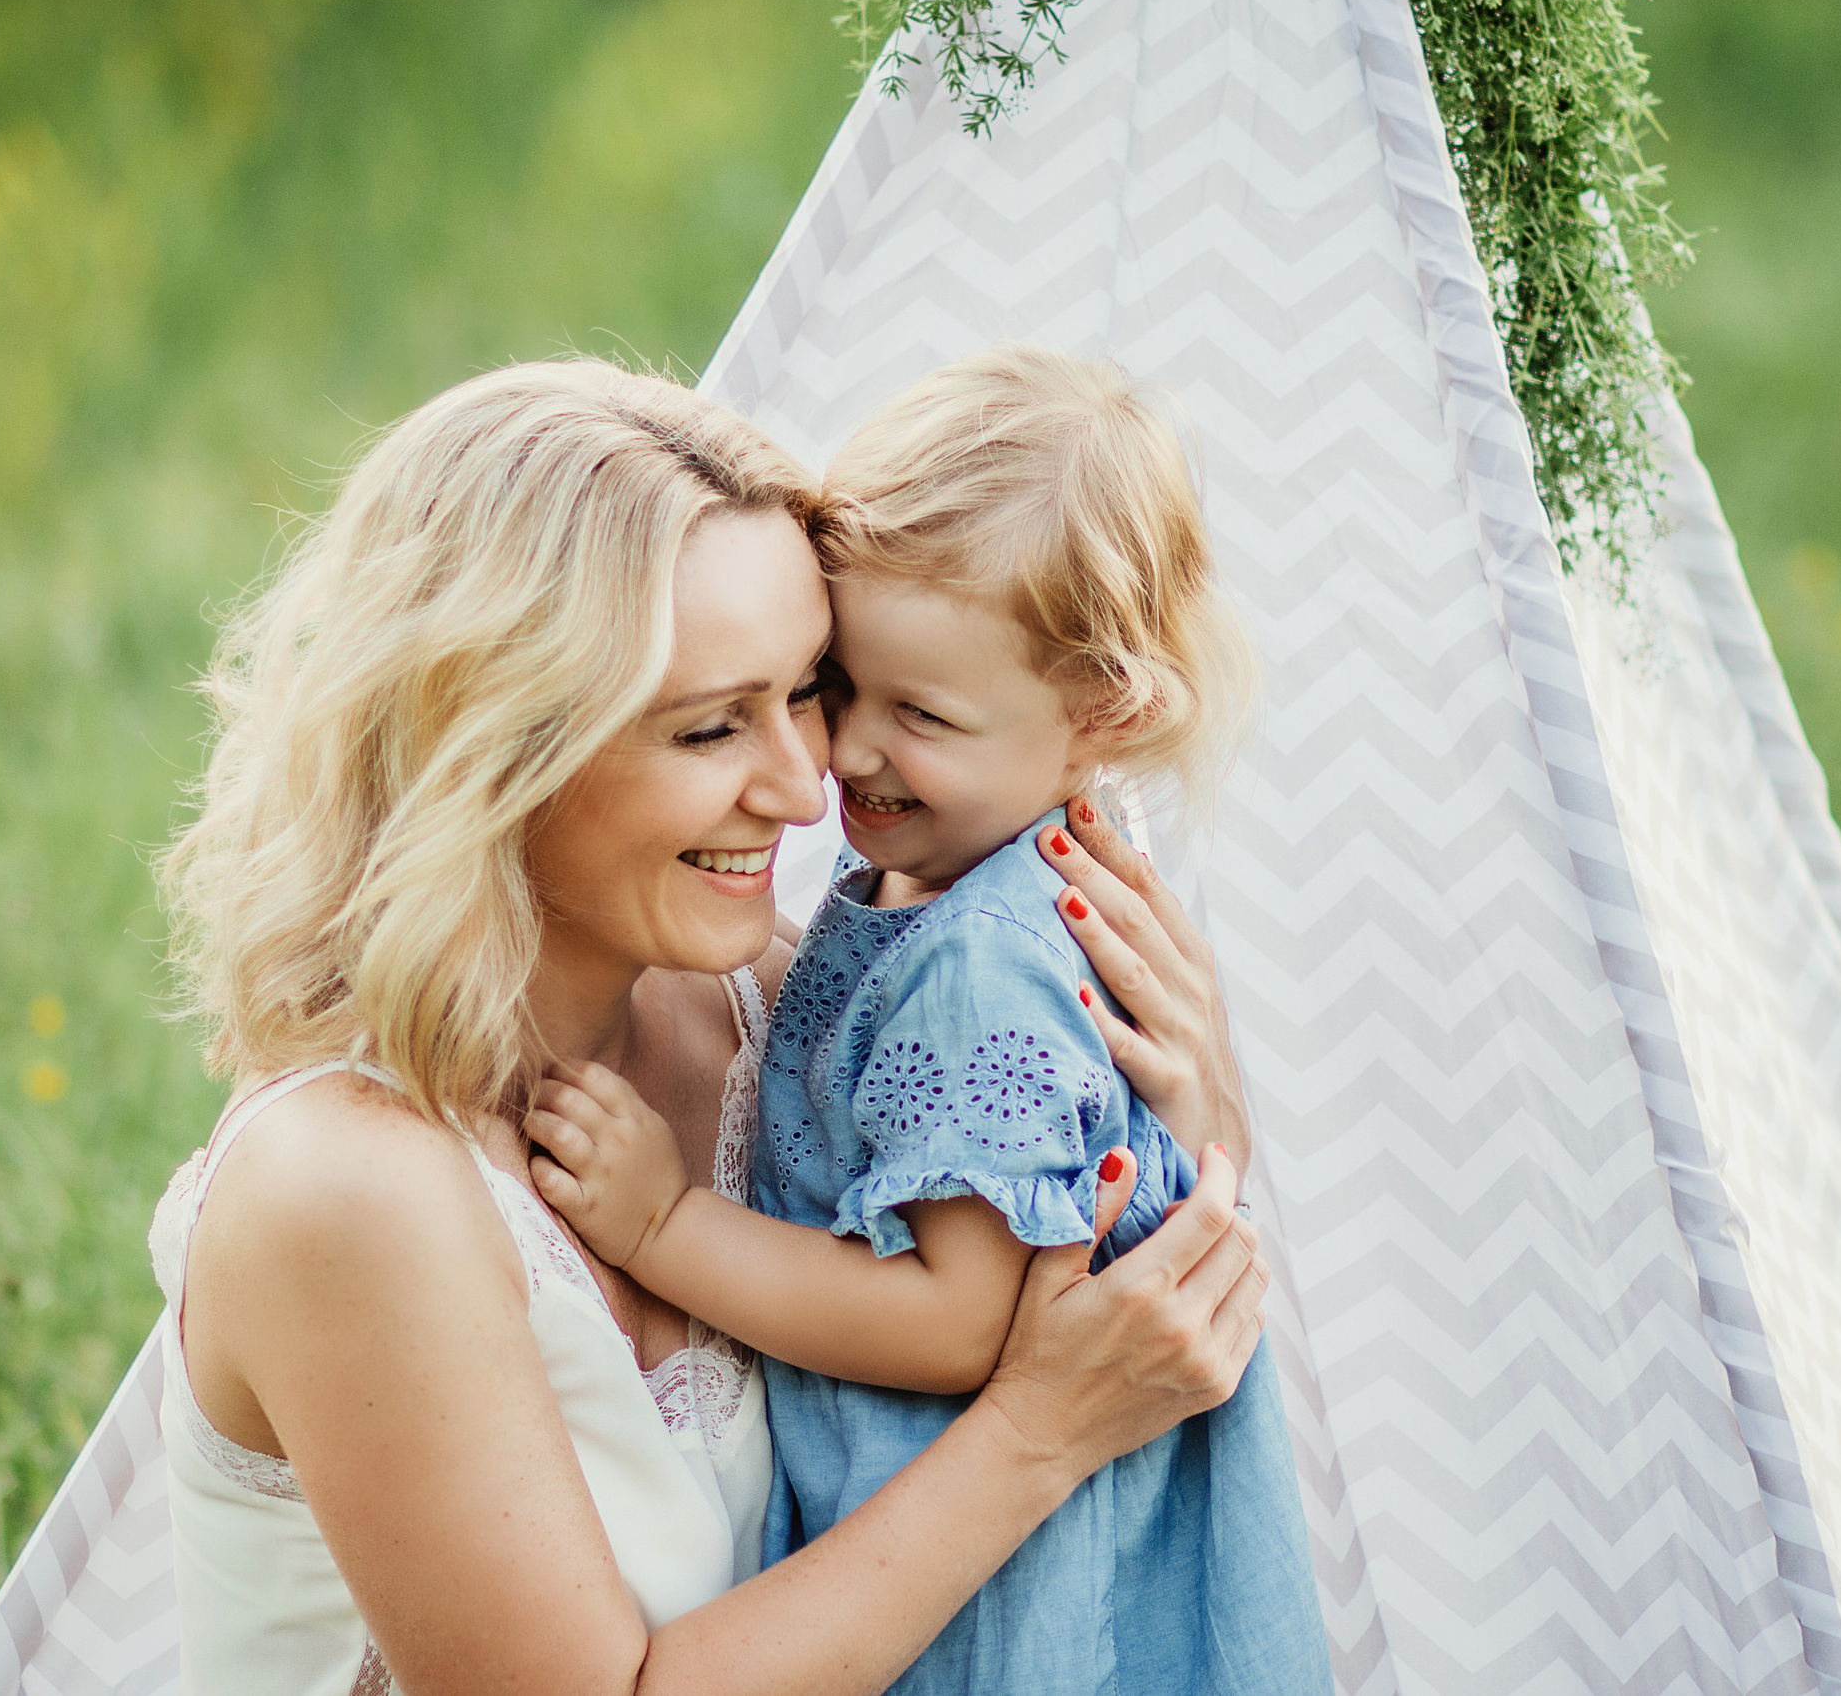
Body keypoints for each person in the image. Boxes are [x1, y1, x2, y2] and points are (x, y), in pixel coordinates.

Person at [147, 358, 1274, 1696]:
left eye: (809, 686)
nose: (810, 787)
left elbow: (1042, 1230)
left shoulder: (776, 1024)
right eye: (706, 730)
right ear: (494, 753)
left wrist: (1190, 1123)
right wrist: (1039, 1433)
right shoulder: (349, 1186)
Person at [530, 347, 1329, 1694]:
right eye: (842, 685)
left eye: (924, 715)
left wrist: (665, 1228)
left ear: (1102, 715)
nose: (841, 755)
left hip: (990, 1607)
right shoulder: (986, 856)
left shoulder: (976, 970)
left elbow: (957, 1322)